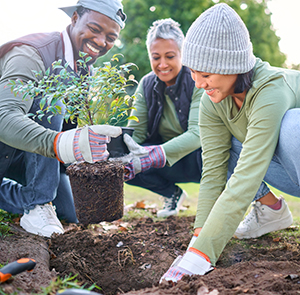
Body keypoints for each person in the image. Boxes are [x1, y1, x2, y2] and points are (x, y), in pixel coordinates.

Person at [160, 3, 300, 282]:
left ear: (232, 66)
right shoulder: (214, 98)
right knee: (223, 149)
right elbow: (213, 171)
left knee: (292, 127)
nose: (198, 83)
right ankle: (271, 211)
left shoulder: (271, 88)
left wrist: (202, 256)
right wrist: (198, 241)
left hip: (294, 149)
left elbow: (248, 173)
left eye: (206, 74)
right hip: (286, 170)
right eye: (192, 72)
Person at [0, 0, 127, 238]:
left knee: (74, 210)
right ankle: (37, 203)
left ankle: (35, 200)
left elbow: (65, 129)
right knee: (51, 101)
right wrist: (61, 144)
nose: (101, 42)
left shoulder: (83, 70)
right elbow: (4, 118)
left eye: (111, 37)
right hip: (5, 141)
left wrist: (104, 158)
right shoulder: (31, 53)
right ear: (75, 18)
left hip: (20, 153)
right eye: (95, 29)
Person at [124, 18, 204, 218]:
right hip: (166, 160)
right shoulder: (146, 84)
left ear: (182, 54)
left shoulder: (197, 80)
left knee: (219, 152)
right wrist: (119, 154)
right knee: (124, 163)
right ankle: (172, 194)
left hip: (199, 157)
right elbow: (136, 132)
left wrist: (155, 154)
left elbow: (197, 134)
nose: (162, 64)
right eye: (156, 57)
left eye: (170, 56)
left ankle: (223, 204)